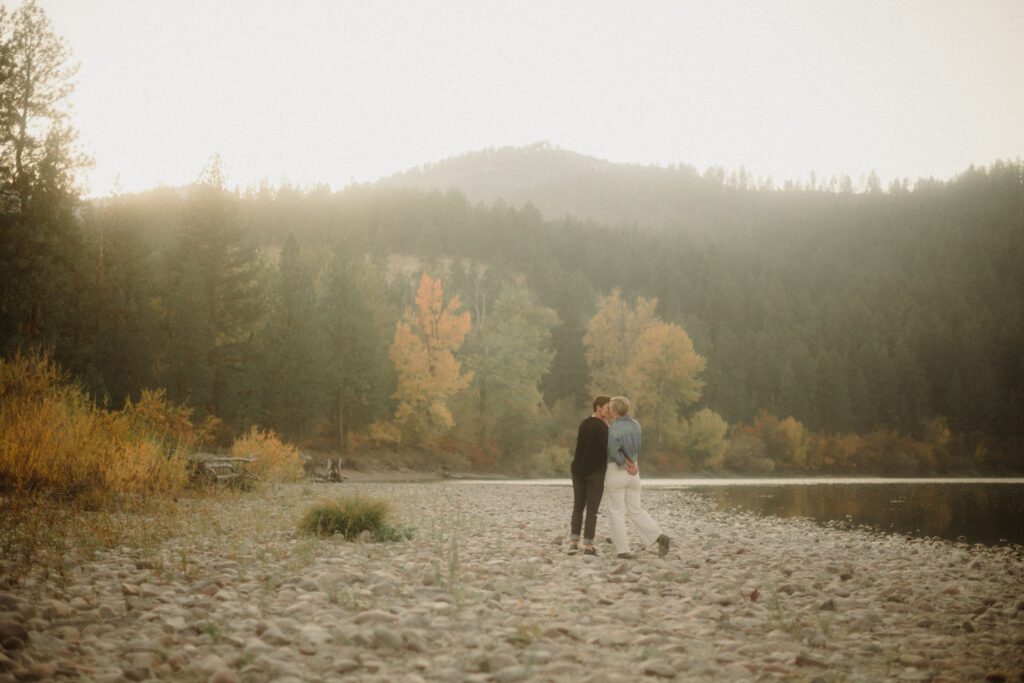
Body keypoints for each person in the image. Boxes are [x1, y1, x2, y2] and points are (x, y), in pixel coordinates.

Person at [605, 396, 671, 559]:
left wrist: (625, 463)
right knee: (635, 510)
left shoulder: (613, 429)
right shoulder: (636, 425)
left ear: (615, 411)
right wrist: (632, 464)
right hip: (635, 472)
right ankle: (659, 536)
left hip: (617, 470)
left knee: (617, 511)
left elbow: (615, 451)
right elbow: (634, 447)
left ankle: (622, 550)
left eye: (611, 408)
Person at [568, 395, 611, 556]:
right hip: (595, 472)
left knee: (578, 506)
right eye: (607, 407)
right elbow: (609, 449)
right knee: (592, 510)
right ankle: (588, 546)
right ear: (598, 408)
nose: (609, 410)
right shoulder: (603, 428)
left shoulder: (584, 424)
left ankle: (573, 543)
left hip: (578, 471)